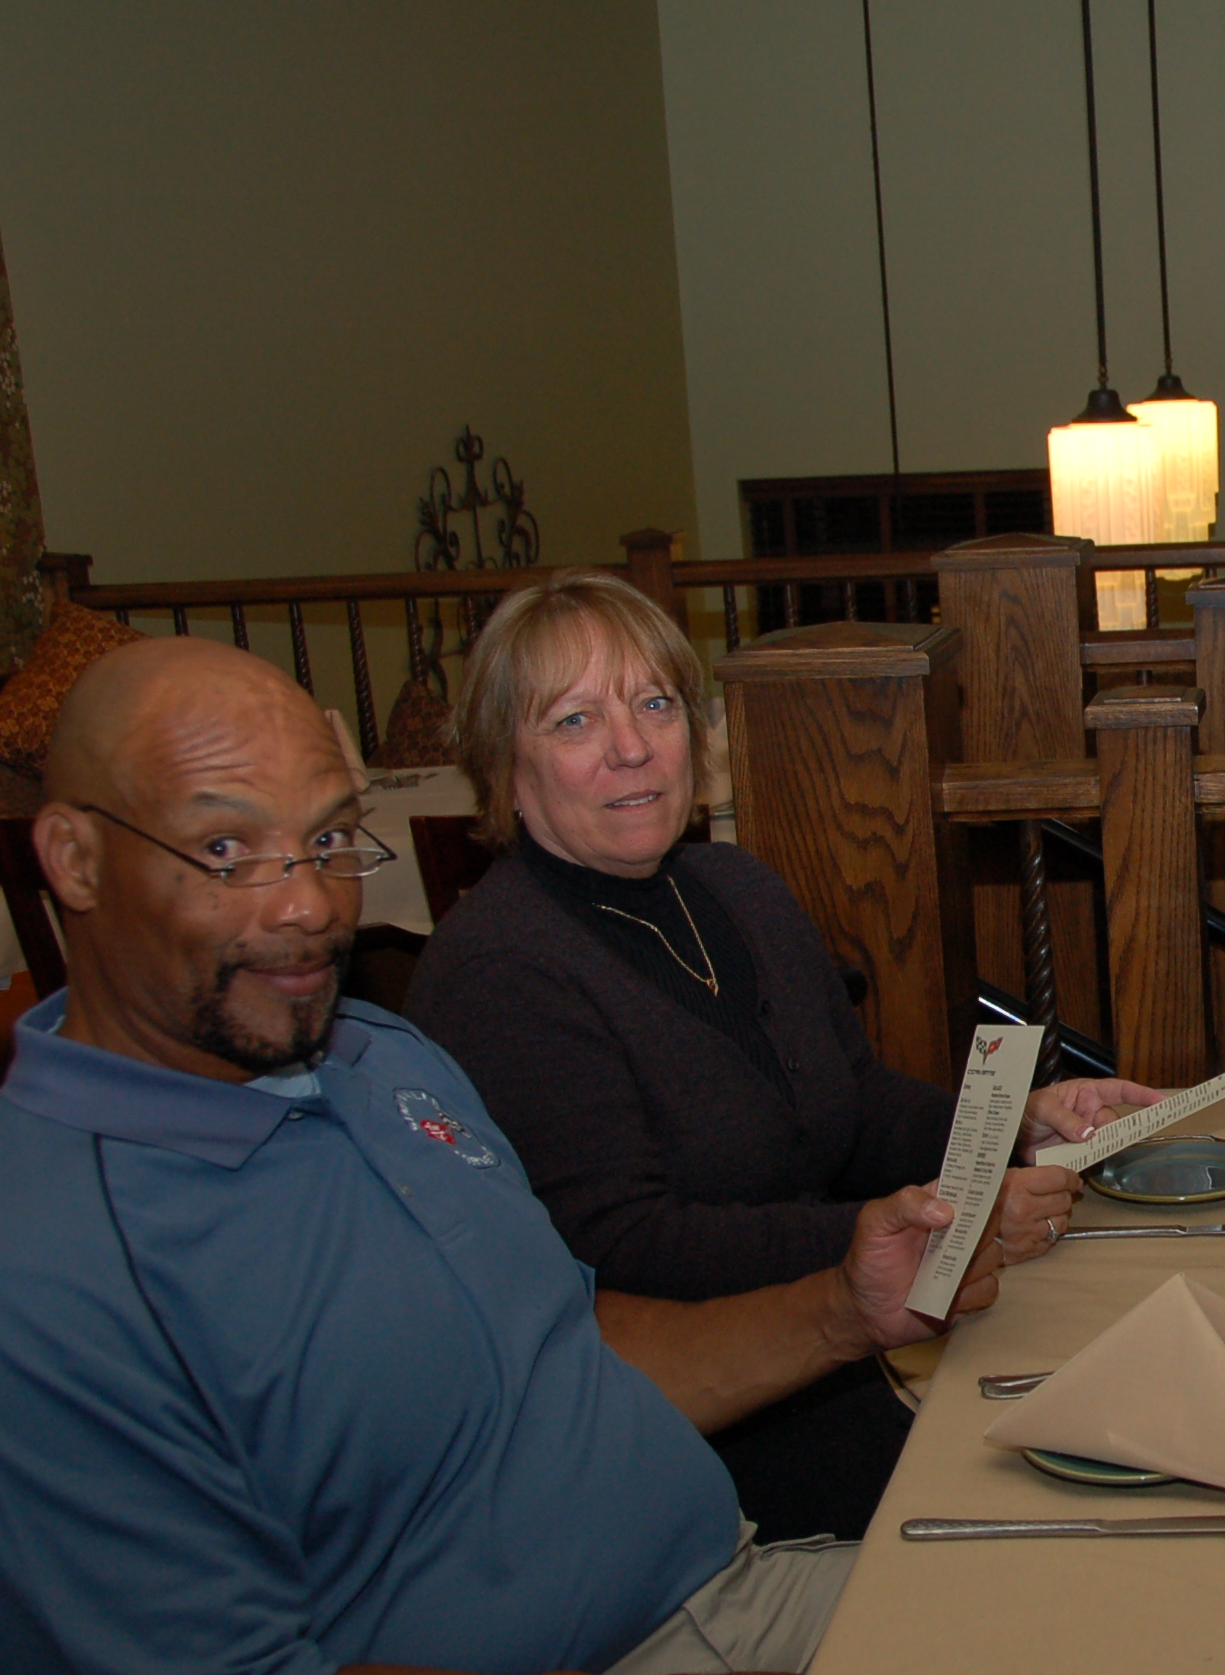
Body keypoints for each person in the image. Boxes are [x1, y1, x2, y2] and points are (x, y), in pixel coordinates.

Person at [0, 638, 1001, 1675]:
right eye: (227, 852)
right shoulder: (16, 1290)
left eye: (329, 840)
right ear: (75, 859)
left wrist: (839, 1310)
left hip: (728, 1604)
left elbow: (573, 1346)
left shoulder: (378, 1058)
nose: (304, 910)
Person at [404, 571, 1159, 1539]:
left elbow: (851, 1102)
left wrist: (1020, 1125)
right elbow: (625, 1249)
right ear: (504, 766)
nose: (631, 745)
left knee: (1130, 1377)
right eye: (574, 721)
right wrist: (910, 1232)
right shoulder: (502, 967)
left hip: (855, 1344)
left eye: (653, 702)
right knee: (1064, 1502)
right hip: (707, 1426)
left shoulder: (729, 884)